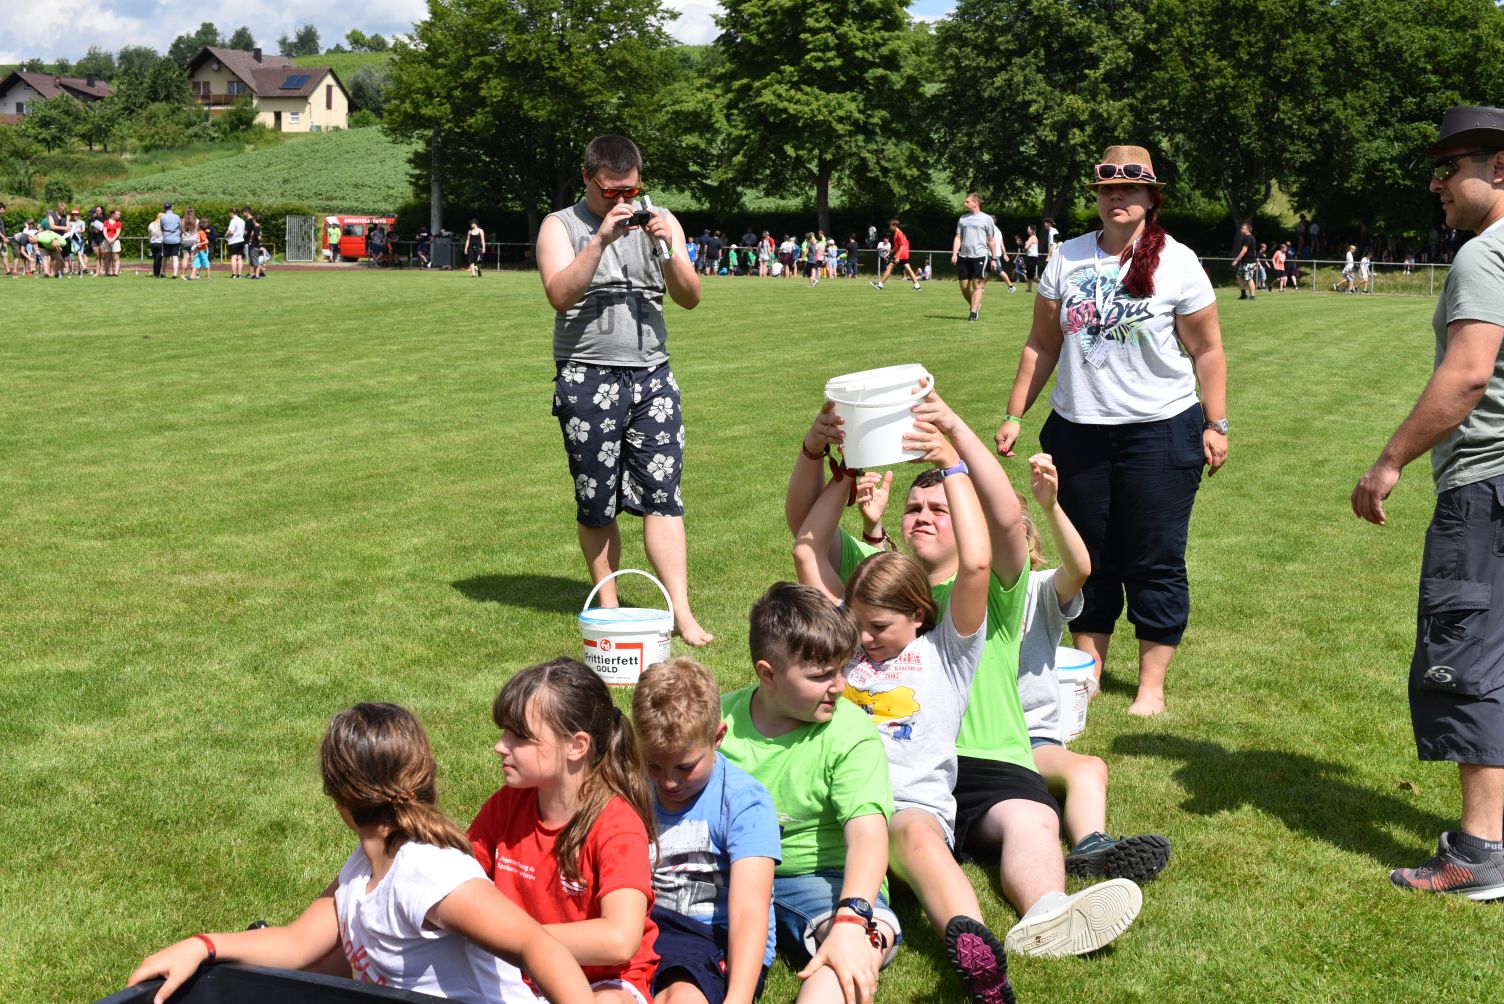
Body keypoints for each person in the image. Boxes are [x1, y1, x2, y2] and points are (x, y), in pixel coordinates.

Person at [788, 390, 1144, 959]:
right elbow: (805, 534)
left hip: (987, 757)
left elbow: (1003, 523)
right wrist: (820, 454)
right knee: (911, 834)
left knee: (1032, 818)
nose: (923, 517)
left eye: (940, 510)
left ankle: (1048, 911)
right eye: (914, 509)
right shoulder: (878, 583)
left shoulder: (992, 590)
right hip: (895, 766)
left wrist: (953, 438)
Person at [127, 703, 594, 1004]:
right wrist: (202, 946)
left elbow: (538, 946)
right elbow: (296, 943)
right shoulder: (367, 864)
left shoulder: (426, 871)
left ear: (339, 800)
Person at [791, 416, 1020, 1004]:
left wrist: (952, 467)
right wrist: (842, 478)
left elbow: (976, 563)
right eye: (857, 625)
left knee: (915, 835)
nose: (863, 639)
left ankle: (976, 951)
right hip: (839, 810)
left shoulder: (946, 653)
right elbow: (806, 550)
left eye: (879, 627)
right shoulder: (847, 643)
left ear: (918, 615)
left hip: (907, 806)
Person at [995, 144, 1229, 718]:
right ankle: (1088, 671)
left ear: (1151, 196)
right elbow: (1042, 344)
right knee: (1088, 554)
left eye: (1129, 187)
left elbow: (1207, 350)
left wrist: (1216, 423)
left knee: (1155, 556)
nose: (1117, 196)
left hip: (1161, 430)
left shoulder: (1178, 262)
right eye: (1107, 188)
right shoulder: (1067, 257)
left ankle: (1151, 687)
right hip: (1079, 431)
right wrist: (1015, 414)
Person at [1351, 104, 1504, 901]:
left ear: (1500, 169)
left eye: (1452, 167)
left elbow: (1468, 373)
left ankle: (1479, 852)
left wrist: (1389, 461)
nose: (1438, 184)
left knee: (1467, 658)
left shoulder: (1485, 253)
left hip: (1486, 486)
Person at [535, 134, 711, 646]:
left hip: (653, 374)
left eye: (630, 191)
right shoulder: (560, 225)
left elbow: (690, 297)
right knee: (597, 498)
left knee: (665, 495)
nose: (621, 201)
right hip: (587, 374)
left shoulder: (662, 219)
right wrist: (600, 241)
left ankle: (681, 612)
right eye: (610, 192)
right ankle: (609, 606)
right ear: (587, 178)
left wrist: (668, 248)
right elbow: (559, 294)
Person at [719, 583, 900, 1004]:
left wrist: (851, 919)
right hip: (733, 874)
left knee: (854, 952)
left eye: (842, 670)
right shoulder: (718, 722)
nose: (839, 686)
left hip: (827, 880)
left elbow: (868, 836)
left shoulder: (850, 732)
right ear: (768, 674)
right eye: (821, 676)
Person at [1015, 453, 1171, 882]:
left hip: (1033, 738)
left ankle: (1093, 846)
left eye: (1013, 533)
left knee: (1089, 767)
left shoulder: (1040, 591)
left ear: (1030, 545)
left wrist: (1050, 507)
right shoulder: (959, 593)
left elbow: (1080, 568)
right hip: (978, 742)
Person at [469, 659, 660, 1002]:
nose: (500, 745)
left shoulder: (617, 825)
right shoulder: (506, 804)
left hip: (601, 981)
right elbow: (458, 880)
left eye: (519, 736)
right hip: (518, 973)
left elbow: (620, 939)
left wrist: (522, 941)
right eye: (504, 732)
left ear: (576, 746)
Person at [632, 658, 779, 1004]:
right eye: (653, 765)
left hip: (711, 937)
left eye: (685, 767)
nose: (668, 782)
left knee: (682, 996)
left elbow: (749, 912)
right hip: (639, 925)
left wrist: (737, 999)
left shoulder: (744, 802)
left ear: (718, 737)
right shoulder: (631, 790)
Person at [952, 193, 1002, 322]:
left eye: (967, 201)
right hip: (964, 256)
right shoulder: (963, 218)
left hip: (980, 256)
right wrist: (955, 253)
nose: (965, 203)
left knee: (977, 286)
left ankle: (973, 313)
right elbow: (958, 237)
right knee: (964, 287)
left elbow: (991, 240)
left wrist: (994, 259)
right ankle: (976, 304)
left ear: (976, 203)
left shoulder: (986, 219)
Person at [870, 219, 920, 291]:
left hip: (901, 254)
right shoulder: (896, 233)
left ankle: (880, 285)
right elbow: (896, 247)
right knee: (908, 269)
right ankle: (917, 286)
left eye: (890, 225)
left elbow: (902, 245)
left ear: (895, 225)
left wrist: (898, 257)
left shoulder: (899, 233)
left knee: (889, 267)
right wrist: (888, 253)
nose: (889, 227)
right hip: (903, 254)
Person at [1231, 221, 1257, 300]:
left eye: (1243, 228)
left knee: (1249, 278)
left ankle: (1252, 296)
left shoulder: (1248, 238)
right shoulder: (1247, 237)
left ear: (1247, 230)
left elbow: (1244, 250)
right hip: (1244, 262)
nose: (1241, 230)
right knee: (1239, 276)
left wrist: (1236, 260)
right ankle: (1243, 294)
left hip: (1249, 262)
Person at [158, 202, 182, 279]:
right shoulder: (177, 217)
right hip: (175, 239)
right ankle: (175, 274)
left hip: (166, 239)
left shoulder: (162, 217)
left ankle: (163, 272)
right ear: (172, 207)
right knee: (175, 257)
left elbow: (161, 228)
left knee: (165, 257)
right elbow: (180, 227)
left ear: (164, 208)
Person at [226, 208, 246, 278]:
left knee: (233, 258)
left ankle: (234, 274)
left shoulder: (233, 221)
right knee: (240, 258)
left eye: (229, 213)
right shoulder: (242, 221)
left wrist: (226, 234)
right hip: (241, 240)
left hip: (234, 241)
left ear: (232, 213)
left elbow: (231, 232)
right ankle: (239, 274)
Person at [1022, 225, 1040, 292]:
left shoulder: (1032, 238)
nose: (1027, 230)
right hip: (1032, 257)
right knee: (1028, 274)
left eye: (1028, 229)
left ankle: (1042, 283)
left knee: (1031, 275)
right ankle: (1029, 289)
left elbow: (1026, 247)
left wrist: (1024, 250)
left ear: (1032, 230)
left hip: (1032, 258)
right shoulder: (1034, 237)